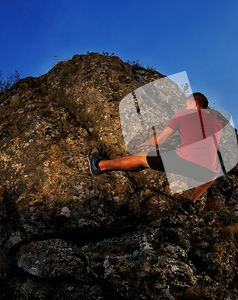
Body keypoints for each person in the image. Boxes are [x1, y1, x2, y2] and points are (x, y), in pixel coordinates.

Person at [88, 92, 222, 215]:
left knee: (140, 158)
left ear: (194, 103)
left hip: (183, 159)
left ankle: (99, 165)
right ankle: (190, 202)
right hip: (208, 168)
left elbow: (161, 139)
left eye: (187, 105)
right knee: (212, 175)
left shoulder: (183, 114)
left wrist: (148, 142)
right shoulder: (217, 123)